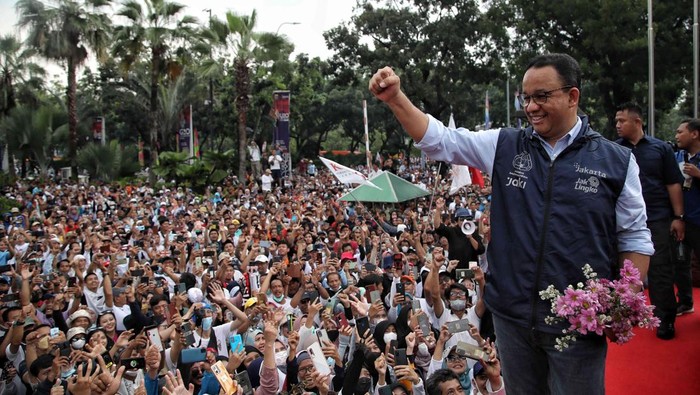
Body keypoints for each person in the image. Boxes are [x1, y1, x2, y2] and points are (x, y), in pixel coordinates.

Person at [369, 53, 653, 394]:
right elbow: (441, 141)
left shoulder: (617, 160)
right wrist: (396, 98)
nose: (531, 107)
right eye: (526, 98)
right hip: (511, 318)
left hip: (577, 326)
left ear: (573, 96)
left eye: (542, 96)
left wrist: (619, 303)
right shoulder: (505, 144)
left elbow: (635, 236)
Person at [614, 102, 685, 340]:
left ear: (637, 121)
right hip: (622, 221)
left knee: (660, 270)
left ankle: (666, 319)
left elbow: (673, 183)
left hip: (656, 217)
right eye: (616, 121)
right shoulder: (614, 150)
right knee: (622, 271)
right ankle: (619, 316)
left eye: (621, 121)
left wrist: (678, 217)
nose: (617, 125)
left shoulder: (660, 149)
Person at [674, 118, 700, 317]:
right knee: (680, 262)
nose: (676, 136)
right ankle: (685, 301)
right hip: (682, 220)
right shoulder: (676, 156)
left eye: (680, 131)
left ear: (694, 134)